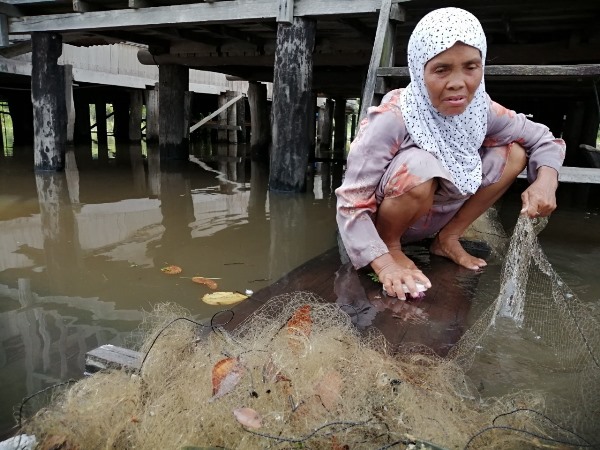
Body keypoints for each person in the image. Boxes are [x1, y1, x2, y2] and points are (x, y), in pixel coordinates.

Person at [335, 7, 565, 300]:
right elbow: (352, 203)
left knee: (516, 152)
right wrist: (384, 265)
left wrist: (546, 180)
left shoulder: (482, 110)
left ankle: (448, 238)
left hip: (436, 217)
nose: (458, 83)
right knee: (419, 166)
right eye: (441, 69)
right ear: (420, 70)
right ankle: (391, 246)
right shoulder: (394, 117)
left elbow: (543, 138)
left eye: (471, 67)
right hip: (388, 220)